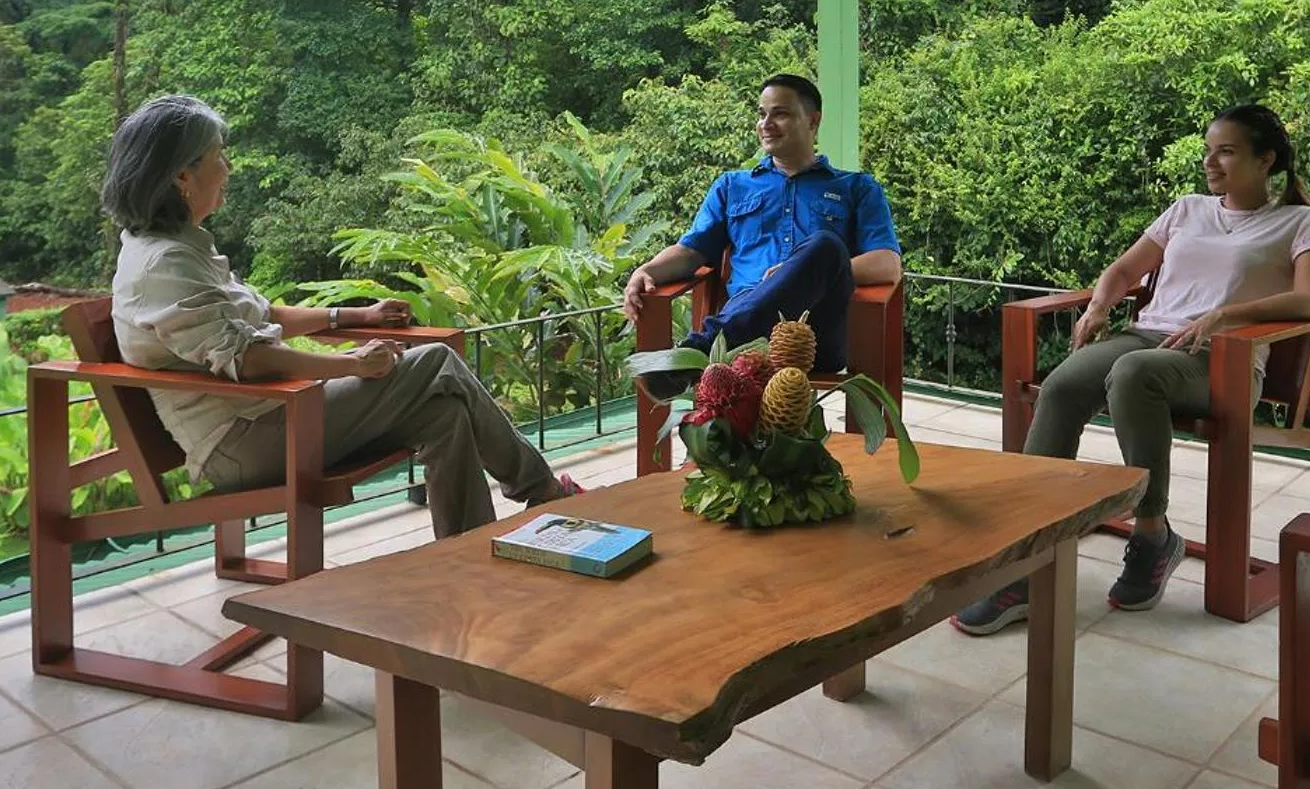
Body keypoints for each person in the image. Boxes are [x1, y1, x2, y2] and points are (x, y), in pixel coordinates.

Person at [104, 94, 581, 540]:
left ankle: (464, 555)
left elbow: (264, 315)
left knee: (444, 413)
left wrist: (358, 315)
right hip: (244, 442)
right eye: (217, 156)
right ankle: (542, 492)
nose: (227, 168)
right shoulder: (162, 266)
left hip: (276, 414)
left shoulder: (181, 248)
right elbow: (246, 358)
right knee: (434, 360)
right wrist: (353, 365)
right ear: (181, 177)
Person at [953, 104, 1310, 634]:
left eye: (1226, 151)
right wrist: (1098, 306)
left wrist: (1224, 313)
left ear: (1265, 159)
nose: (1211, 162)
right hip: (1146, 337)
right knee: (1063, 385)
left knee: (1135, 373)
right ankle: (1026, 560)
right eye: (1208, 150)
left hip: (1221, 360)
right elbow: (1125, 269)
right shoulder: (1187, 210)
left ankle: (1152, 535)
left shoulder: (1299, 221)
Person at [624, 74, 902, 395]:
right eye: (761, 114)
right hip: (745, 329)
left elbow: (887, 264)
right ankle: (710, 348)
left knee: (826, 246)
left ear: (813, 121)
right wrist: (645, 271)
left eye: (780, 113)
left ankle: (697, 353)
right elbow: (691, 252)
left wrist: (807, 270)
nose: (766, 123)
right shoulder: (732, 186)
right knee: (819, 251)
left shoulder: (856, 188)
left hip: (812, 335)